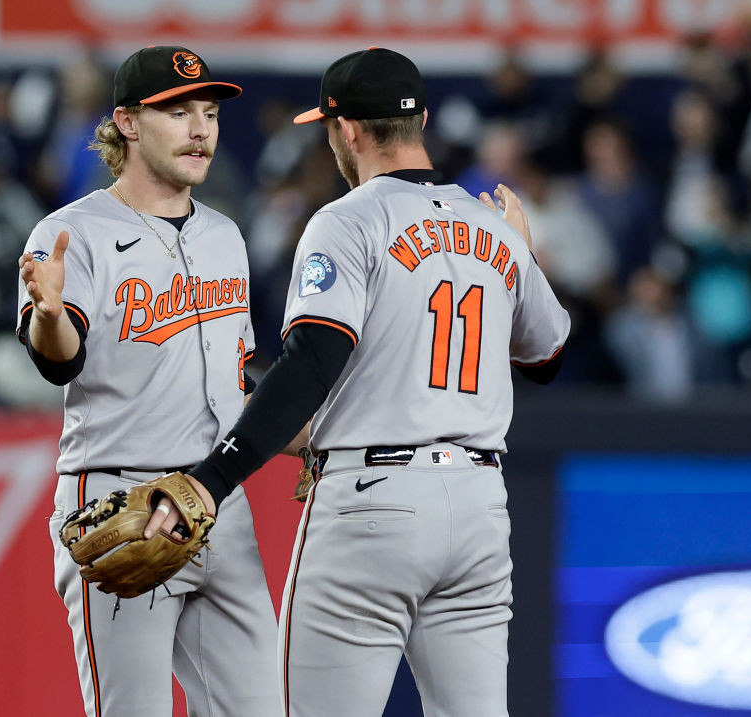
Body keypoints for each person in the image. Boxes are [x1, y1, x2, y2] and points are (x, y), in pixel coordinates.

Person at [147, 48, 571, 715]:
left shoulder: (347, 220)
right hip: (480, 507)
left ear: (345, 130)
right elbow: (548, 356)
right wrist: (521, 258)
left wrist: (209, 479)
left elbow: (312, 364)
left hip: (374, 502)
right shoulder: (496, 227)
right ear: (422, 119)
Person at [16, 46, 282, 717]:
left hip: (219, 498)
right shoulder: (74, 230)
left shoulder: (225, 234)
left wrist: (306, 433)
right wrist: (50, 315)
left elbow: (237, 379)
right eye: (179, 112)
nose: (201, 129)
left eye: (211, 113)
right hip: (120, 495)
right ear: (128, 123)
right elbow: (59, 360)